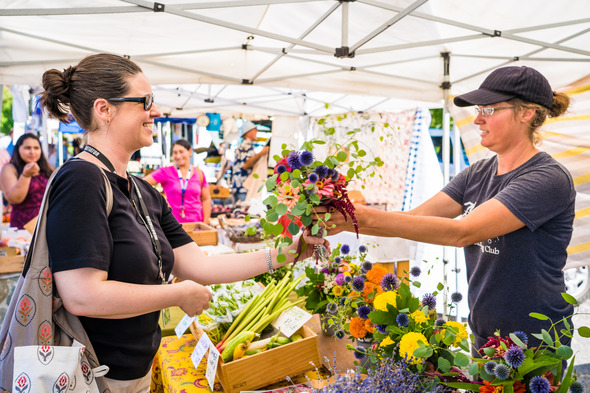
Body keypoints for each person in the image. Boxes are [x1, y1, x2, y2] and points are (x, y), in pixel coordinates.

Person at [39, 53, 326, 391]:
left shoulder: (143, 190)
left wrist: (289, 253)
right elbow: (82, 295)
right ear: (105, 110)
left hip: (134, 371)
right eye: (145, 101)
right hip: (93, 376)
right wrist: (175, 294)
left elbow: (201, 268)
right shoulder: (81, 179)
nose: (156, 112)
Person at [315, 66, 575, 353]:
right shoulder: (478, 172)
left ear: (526, 113)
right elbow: (416, 218)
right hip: (485, 329)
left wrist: (358, 218)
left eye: (489, 110)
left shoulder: (547, 178)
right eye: (479, 109)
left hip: (534, 336)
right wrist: (345, 213)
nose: (477, 119)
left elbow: (462, 232)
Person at [143, 139, 212, 224]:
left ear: (190, 152)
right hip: (173, 225)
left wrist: (205, 223)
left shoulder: (199, 173)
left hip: (197, 225)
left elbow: (206, 199)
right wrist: (159, 199)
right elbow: (142, 183)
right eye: (175, 153)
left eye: (181, 152)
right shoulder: (165, 172)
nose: (178, 156)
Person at [0, 133, 53, 229]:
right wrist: (26, 175)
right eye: (27, 148)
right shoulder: (10, 169)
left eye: (36, 148)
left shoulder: (47, 169)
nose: (32, 152)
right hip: (23, 226)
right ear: (18, 149)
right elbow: (14, 199)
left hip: (47, 224)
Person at [231, 121, 269, 203]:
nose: (257, 132)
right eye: (254, 129)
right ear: (248, 132)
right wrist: (261, 153)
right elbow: (245, 165)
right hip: (242, 187)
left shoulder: (247, 145)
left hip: (241, 187)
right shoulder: (245, 145)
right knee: (242, 213)